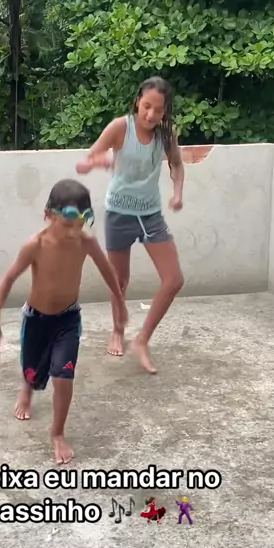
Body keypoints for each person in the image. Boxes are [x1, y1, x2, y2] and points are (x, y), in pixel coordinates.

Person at [0, 178, 128, 464]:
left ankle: (57, 433)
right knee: (32, 371)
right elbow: (8, 279)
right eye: (68, 224)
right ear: (49, 215)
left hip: (68, 319)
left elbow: (107, 271)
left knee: (63, 377)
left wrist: (120, 303)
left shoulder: (86, 241)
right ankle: (27, 390)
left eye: (81, 224)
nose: (74, 232)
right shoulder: (35, 245)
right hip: (36, 319)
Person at [76, 76, 184, 374]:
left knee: (174, 280)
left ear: (165, 111)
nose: (151, 114)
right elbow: (88, 159)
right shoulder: (120, 127)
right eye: (147, 106)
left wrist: (177, 193)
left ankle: (142, 340)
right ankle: (117, 330)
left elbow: (177, 164)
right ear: (138, 101)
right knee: (119, 281)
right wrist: (97, 162)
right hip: (119, 214)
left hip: (151, 215)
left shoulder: (166, 134)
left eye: (158, 110)